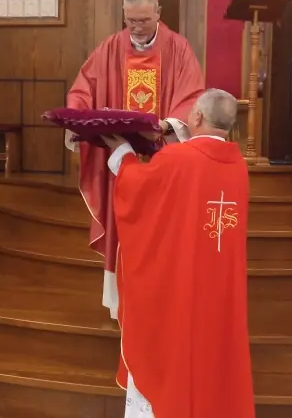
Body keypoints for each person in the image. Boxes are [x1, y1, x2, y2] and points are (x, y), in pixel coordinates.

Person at [103, 88, 253, 418]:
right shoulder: (238, 167)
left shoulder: (179, 160)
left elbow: (140, 188)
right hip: (219, 291)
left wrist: (123, 155)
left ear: (197, 116)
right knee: (212, 362)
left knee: (173, 354)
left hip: (182, 288)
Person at [66, 0, 205, 319]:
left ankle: (163, 300)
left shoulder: (178, 48)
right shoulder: (110, 48)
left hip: (163, 159)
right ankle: (122, 303)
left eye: (144, 20)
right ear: (124, 15)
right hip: (120, 162)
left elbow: (192, 95)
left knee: (162, 230)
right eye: (131, 21)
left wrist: (168, 125)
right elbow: (83, 88)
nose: (137, 27)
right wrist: (76, 115)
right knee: (122, 224)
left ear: (158, 13)